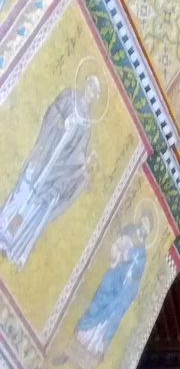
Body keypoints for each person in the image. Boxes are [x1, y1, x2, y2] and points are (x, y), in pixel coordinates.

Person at [0, 77, 103, 269]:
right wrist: (62, 122)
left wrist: (83, 165)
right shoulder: (69, 96)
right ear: (85, 85)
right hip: (44, 153)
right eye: (89, 87)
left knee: (33, 206)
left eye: (94, 92)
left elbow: (77, 153)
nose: (90, 93)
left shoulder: (86, 127)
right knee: (23, 190)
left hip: (55, 170)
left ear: (95, 98)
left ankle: (11, 242)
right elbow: (52, 111)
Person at [73, 214, 152, 368]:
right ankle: (83, 334)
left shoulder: (143, 251)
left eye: (147, 228)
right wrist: (119, 256)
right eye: (144, 224)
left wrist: (130, 276)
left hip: (124, 288)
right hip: (114, 278)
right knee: (100, 302)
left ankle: (96, 346)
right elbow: (118, 248)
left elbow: (138, 269)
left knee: (112, 315)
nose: (144, 228)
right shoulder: (129, 232)